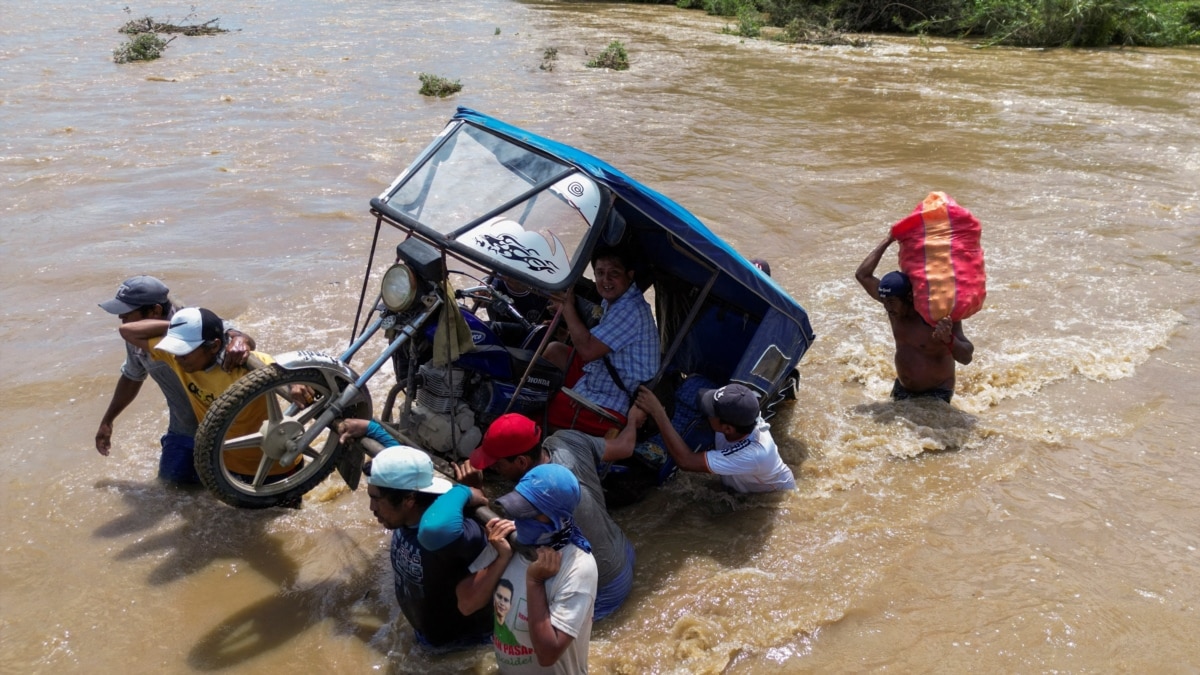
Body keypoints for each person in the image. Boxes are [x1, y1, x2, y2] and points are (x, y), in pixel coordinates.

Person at [460, 411, 641, 620]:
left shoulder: (541, 499)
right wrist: (634, 419)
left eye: (497, 464)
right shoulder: (566, 440)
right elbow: (625, 447)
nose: (493, 467)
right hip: (622, 548)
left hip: (605, 586)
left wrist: (475, 491)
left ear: (521, 462)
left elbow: (517, 547)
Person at [95, 276, 254, 483]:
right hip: (184, 427)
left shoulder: (197, 323)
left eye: (127, 314)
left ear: (154, 311)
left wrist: (241, 339)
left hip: (227, 428)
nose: (123, 320)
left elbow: (235, 334)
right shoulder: (137, 336)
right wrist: (108, 421)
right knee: (171, 487)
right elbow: (132, 376)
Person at [118, 306, 296, 480]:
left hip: (275, 465)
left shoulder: (247, 366)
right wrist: (177, 326)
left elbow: (292, 376)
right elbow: (127, 331)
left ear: (214, 346)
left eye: (184, 352)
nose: (178, 359)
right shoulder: (176, 359)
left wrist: (294, 383)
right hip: (226, 470)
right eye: (176, 350)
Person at [457, 464, 598, 673]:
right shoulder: (510, 538)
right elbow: (466, 604)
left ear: (557, 519)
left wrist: (535, 582)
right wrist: (501, 558)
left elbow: (548, 654)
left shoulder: (578, 568)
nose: (520, 519)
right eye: (518, 509)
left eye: (530, 513)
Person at [357, 440, 493, 651]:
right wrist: (369, 427)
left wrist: (464, 491)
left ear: (409, 499)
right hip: (426, 634)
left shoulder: (454, 535)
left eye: (376, 499)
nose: (371, 508)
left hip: (460, 645)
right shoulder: (405, 516)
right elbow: (403, 457)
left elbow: (434, 529)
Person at [543, 248, 659, 435]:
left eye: (614, 274)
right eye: (600, 273)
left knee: (540, 404)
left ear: (629, 276)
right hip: (601, 370)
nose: (605, 280)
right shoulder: (615, 299)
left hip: (611, 396)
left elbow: (588, 350)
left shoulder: (630, 310)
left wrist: (567, 307)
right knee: (554, 351)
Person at [855, 235, 974, 402]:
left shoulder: (938, 314)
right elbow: (862, 275)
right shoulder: (893, 307)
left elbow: (966, 357)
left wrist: (949, 339)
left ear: (909, 297)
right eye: (884, 301)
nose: (887, 307)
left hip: (937, 393)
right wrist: (888, 240)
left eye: (891, 302)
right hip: (903, 387)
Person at [636, 383, 795, 493]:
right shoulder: (744, 413)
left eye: (711, 411)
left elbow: (686, 461)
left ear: (727, 428)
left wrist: (658, 413)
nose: (707, 411)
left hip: (768, 496)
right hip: (744, 481)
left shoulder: (753, 453)